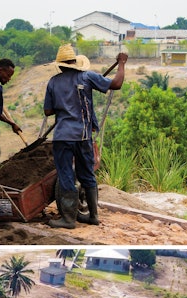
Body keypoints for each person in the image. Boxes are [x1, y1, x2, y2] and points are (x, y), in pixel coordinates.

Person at [44, 45, 127, 228]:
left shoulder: (53, 82)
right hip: (83, 135)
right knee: (87, 175)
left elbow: (48, 111)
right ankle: (93, 216)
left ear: (60, 65)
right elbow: (116, 84)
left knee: (66, 176)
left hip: (63, 136)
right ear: (74, 62)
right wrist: (121, 63)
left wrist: (62, 104)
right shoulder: (87, 77)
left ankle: (68, 219)